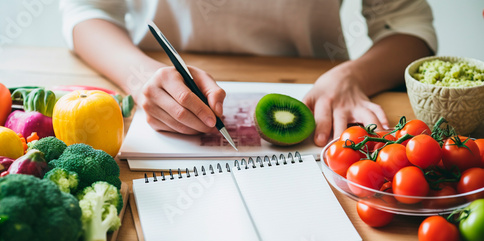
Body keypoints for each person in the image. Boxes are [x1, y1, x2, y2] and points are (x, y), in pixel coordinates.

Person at [59, 0, 436, 147]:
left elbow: (407, 25)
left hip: (319, 89)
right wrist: (140, 75)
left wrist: (353, 76)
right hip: (155, 86)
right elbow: (86, 11)